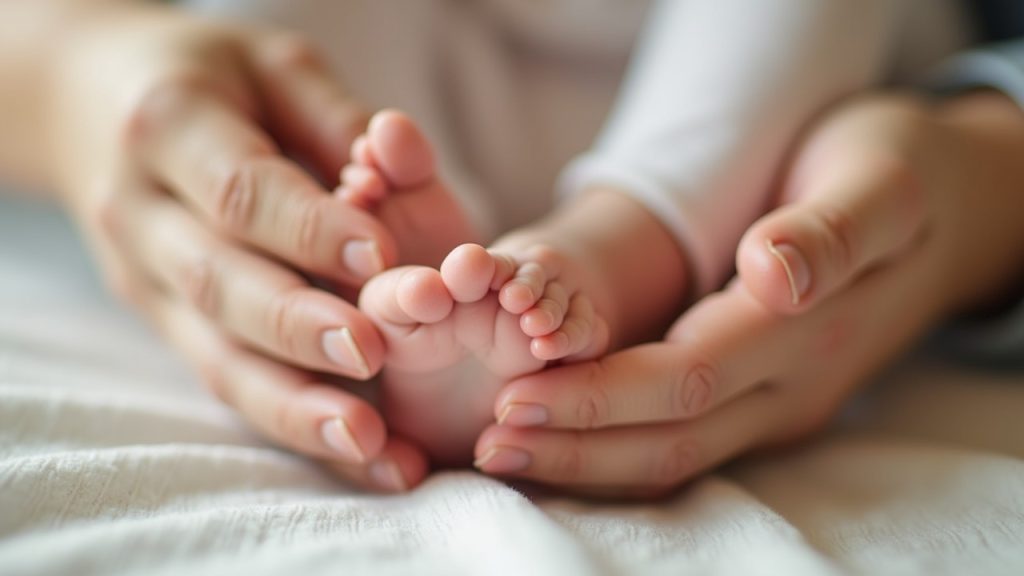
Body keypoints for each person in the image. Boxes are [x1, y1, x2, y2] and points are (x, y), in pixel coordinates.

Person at [0, 0, 974, 491]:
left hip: (723, 103)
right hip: (424, 82)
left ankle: (622, 244)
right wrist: (64, 72)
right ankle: (388, 262)